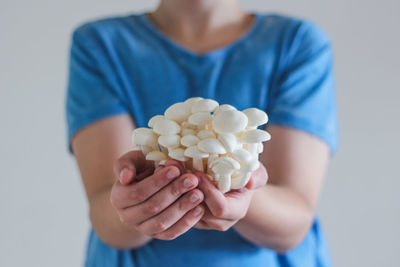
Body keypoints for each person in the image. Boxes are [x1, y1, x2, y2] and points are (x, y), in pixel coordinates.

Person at [66, 0, 338, 266]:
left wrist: (236, 192)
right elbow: (105, 214)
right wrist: (134, 203)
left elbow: (295, 220)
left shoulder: (297, 44)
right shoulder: (100, 45)